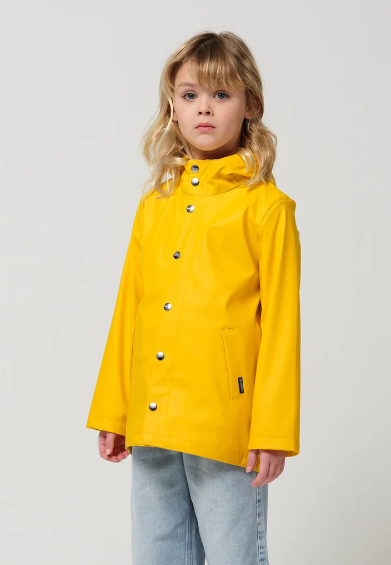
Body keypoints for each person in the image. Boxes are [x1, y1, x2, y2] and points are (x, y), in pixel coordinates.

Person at [86, 30, 301, 565]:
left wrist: (273, 431)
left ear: (250, 105)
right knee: (156, 553)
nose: (204, 107)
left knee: (233, 555)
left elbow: (281, 326)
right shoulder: (155, 205)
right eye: (190, 95)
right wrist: (114, 409)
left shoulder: (266, 208)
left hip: (226, 425)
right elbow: (129, 308)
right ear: (172, 109)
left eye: (221, 94)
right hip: (153, 416)